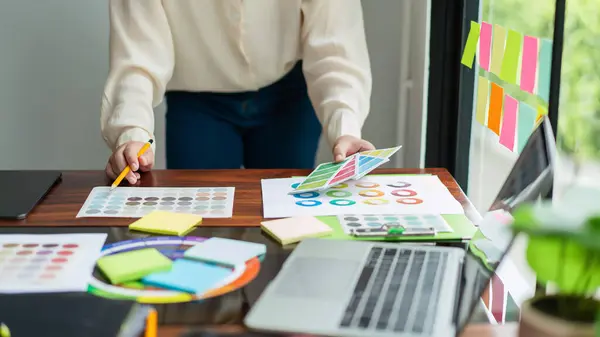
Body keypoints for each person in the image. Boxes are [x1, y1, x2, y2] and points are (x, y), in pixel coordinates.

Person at [101, 0, 374, 185]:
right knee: (200, 225)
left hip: (288, 96)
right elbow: (137, 58)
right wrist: (132, 133)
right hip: (196, 100)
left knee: (288, 219)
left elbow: (335, 46)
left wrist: (345, 127)